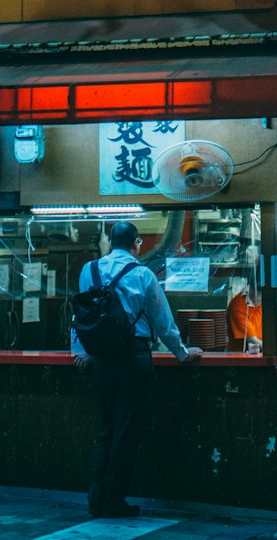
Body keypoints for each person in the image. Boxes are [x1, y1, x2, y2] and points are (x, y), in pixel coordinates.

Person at [72, 220, 201, 520]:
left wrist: (81, 351)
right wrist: (182, 353)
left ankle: (95, 499)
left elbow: (81, 316)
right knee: (127, 431)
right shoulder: (142, 274)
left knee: (106, 429)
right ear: (137, 243)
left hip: (101, 360)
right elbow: (163, 322)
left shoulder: (88, 271)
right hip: (134, 358)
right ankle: (114, 500)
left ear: (110, 242)